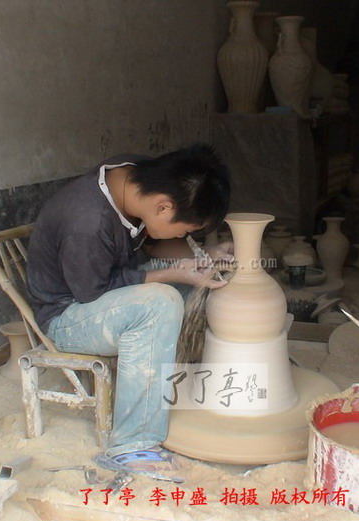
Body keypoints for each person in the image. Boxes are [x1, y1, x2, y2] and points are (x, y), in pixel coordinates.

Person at [26, 143, 231, 472]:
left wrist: (202, 259)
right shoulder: (88, 221)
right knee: (159, 303)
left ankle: (179, 385)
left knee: (194, 285)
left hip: (102, 293)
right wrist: (170, 274)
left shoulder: (137, 177)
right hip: (68, 315)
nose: (185, 236)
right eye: (186, 230)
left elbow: (157, 242)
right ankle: (132, 446)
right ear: (163, 207)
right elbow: (91, 293)